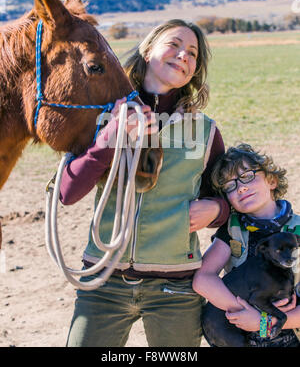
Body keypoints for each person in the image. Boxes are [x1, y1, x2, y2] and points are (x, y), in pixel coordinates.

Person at [60, 19, 230, 347]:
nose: (183, 55)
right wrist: (108, 141)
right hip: (103, 282)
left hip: (175, 289)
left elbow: (233, 207)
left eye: (193, 53)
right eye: (174, 44)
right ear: (148, 49)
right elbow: (67, 192)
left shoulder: (205, 132)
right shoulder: (101, 118)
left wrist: (217, 208)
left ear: (195, 70)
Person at [192, 143, 300, 347]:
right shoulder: (233, 232)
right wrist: (243, 311)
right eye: (230, 186)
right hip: (240, 335)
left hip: (290, 334)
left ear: (271, 180)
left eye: (248, 176)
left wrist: (263, 322)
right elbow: (202, 279)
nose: (240, 187)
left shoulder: (298, 231)